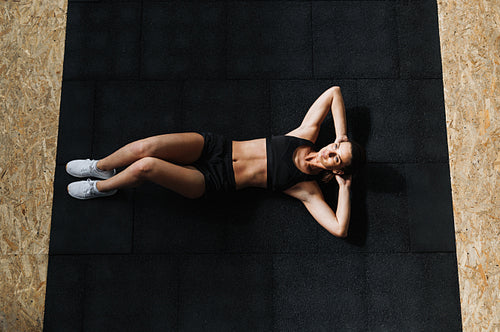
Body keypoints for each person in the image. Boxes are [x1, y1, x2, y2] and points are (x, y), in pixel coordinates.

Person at [66, 86, 365, 238]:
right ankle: (100, 167)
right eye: (336, 146)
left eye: (337, 157)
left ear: (337, 168)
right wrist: (343, 136)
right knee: (147, 146)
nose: (331, 150)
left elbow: (340, 228)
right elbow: (334, 93)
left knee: (147, 166)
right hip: (215, 147)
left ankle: (103, 188)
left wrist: (345, 188)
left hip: (214, 182)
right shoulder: (305, 135)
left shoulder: (306, 189)